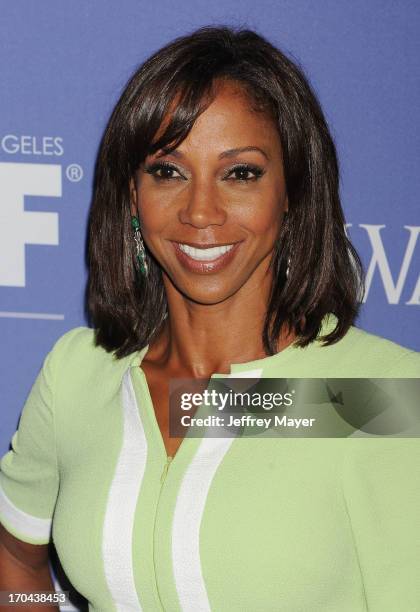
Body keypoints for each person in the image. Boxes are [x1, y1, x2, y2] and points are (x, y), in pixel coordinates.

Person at [0, 25, 419, 612]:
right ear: (131, 195)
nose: (201, 211)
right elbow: (15, 557)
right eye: (167, 171)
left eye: (240, 172)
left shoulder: (380, 396)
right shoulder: (77, 374)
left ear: (293, 189)